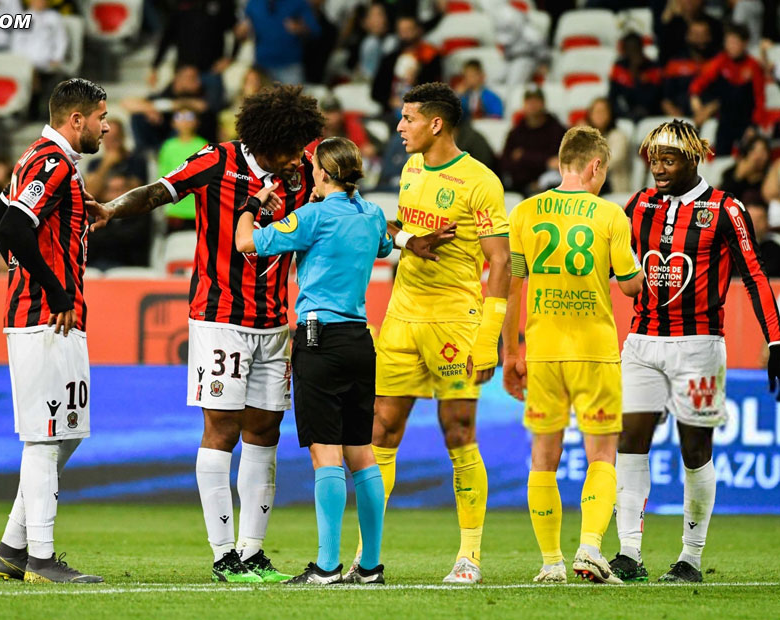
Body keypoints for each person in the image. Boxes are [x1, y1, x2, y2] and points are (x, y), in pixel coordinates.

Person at [86, 84, 322, 583]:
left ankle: (252, 551)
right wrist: (110, 208)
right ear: (266, 139)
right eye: (291, 145)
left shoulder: (302, 175)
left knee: (266, 430)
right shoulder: (218, 160)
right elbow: (158, 192)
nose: (298, 155)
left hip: (275, 322)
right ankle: (223, 556)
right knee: (223, 428)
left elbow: (343, 212)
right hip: (219, 319)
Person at [348, 82, 511, 584]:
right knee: (380, 433)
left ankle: (469, 556)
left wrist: (488, 337)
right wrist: (405, 238)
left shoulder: (480, 182)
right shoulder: (412, 167)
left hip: (454, 323)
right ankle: (365, 556)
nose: (399, 126)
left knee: (458, 432)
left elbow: (501, 261)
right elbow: (401, 226)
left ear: (436, 123)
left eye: (408, 118)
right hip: (400, 317)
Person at [612, 120, 780, 583]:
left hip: (700, 347)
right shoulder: (639, 205)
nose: (658, 169)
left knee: (694, 449)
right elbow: (612, 256)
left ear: (695, 159)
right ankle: (628, 552)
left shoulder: (726, 209)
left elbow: (755, 276)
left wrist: (776, 339)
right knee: (630, 441)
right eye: (653, 160)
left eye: (669, 160)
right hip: (642, 341)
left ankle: (690, 557)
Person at [234, 137, 396, 585]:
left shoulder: (313, 216)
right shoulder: (372, 214)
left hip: (318, 339)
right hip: (360, 339)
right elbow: (385, 247)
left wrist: (252, 202)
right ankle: (370, 566)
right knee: (361, 454)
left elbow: (245, 241)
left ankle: (326, 566)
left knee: (326, 455)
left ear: (323, 174)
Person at [503, 126, 644, 585]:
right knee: (602, 453)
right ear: (595, 166)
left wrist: (510, 353)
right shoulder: (609, 216)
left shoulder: (523, 212)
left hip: (542, 351)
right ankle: (590, 548)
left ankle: (550, 563)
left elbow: (513, 288)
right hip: (594, 351)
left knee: (544, 456)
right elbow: (628, 284)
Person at [0, 78, 109, 584]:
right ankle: (40, 558)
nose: (106, 126)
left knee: (66, 434)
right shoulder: (52, 161)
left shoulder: (41, 160)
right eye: (101, 116)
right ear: (75, 120)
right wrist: (53, 291)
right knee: (45, 437)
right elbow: (12, 225)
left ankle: (14, 549)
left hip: (57, 317)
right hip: (44, 318)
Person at [689, 23, 765, 156]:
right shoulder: (721, 62)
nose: (731, 46)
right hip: (725, 121)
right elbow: (698, 84)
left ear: (745, 43)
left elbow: (759, 98)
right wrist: (696, 100)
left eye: (735, 42)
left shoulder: (753, 66)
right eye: (728, 42)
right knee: (721, 155)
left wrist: (754, 126)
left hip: (746, 122)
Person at [501, 87, 566, 196]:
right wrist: (544, 161)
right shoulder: (516, 132)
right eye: (529, 101)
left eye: (536, 101)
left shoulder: (557, 130)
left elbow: (557, 162)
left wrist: (524, 156)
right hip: (522, 185)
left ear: (543, 103)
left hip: (551, 186)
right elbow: (505, 163)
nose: (532, 105)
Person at [609, 32, 663, 123]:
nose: (633, 52)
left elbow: (656, 97)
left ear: (641, 48)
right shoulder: (619, 67)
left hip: (649, 114)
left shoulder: (652, 67)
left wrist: (637, 77)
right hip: (625, 114)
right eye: (629, 48)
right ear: (624, 50)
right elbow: (612, 97)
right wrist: (625, 114)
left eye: (635, 48)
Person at [581, 97, 630, 194]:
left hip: (612, 184)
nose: (600, 115)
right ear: (590, 115)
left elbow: (610, 162)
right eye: (596, 112)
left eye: (603, 111)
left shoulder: (619, 136)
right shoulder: (585, 136)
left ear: (610, 114)